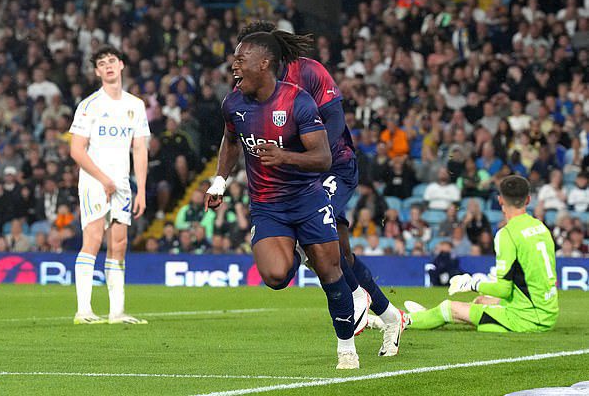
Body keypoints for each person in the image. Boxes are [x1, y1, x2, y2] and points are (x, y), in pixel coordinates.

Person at [236, 21, 406, 356]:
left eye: (246, 54)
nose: (240, 62)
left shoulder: (310, 72)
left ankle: (356, 297)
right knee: (340, 254)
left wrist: (307, 154)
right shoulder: (252, 87)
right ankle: (391, 317)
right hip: (294, 176)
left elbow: (336, 120)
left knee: (315, 234)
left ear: (266, 55)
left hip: (334, 167)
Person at [205, 32, 359, 369]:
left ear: (263, 64)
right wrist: (219, 181)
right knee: (275, 277)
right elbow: (230, 141)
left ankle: (346, 347)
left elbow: (323, 158)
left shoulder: (297, 101)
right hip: (267, 206)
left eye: (240, 60)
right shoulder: (233, 103)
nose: (234, 66)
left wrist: (285, 156)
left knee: (330, 272)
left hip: (307, 200)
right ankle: (298, 251)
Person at [401, 175, 558, 332]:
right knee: (481, 301)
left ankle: (403, 320)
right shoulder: (541, 227)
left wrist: (472, 284)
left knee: (448, 308)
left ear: (500, 200)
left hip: (526, 319)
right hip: (547, 312)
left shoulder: (507, 234)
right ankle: (427, 316)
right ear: (528, 199)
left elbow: (503, 290)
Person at [69, 45, 149, 325]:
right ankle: (83, 311)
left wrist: (141, 189)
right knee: (92, 239)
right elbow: (76, 150)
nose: (108, 66)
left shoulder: (135, 105)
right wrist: (103, 179)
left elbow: (140, 149)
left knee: (119, 243)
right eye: (102, 63)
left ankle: (117, 312)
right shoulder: (89, 105)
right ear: (97, 72)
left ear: (122, 65)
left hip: (122, 184)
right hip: (95, 181)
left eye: (112, 61)